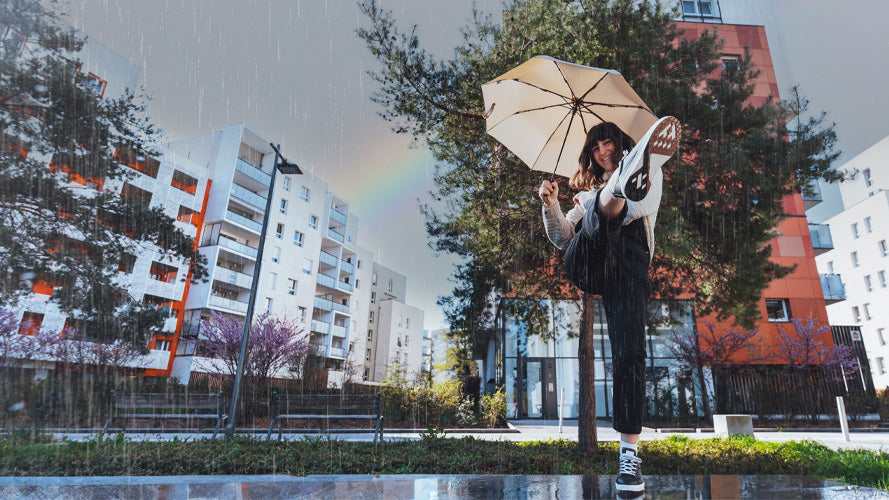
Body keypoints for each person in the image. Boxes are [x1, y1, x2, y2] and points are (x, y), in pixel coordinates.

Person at [538, 116, 680, 493]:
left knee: (630, 354)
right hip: (592, 262)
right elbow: (561, 238)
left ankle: (629, 458)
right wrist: (551, 205)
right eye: (596, 147)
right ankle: (615, 191)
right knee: (592, 220)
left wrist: (612, 198)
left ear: (622, 145)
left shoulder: (648, 173)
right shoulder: (583, 195)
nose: (603, 151)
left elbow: (642, 205)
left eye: (609, 144)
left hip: (630, 267)